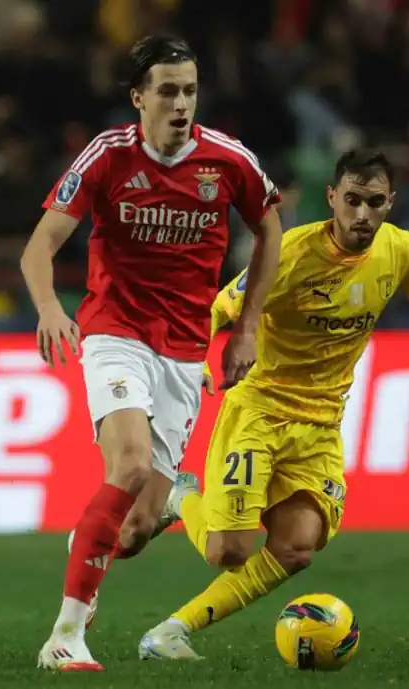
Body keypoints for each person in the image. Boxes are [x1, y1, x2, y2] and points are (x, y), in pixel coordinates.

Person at [135, 148, 409, 660]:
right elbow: (220, 308)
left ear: (391, 203)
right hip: (260, 411)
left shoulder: (399, 249)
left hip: (320, 424)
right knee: (227, 552)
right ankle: (182, 497)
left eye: (375, 202)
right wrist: (193, 366)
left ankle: (170, 632)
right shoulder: (289, 253)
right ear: (332, 198)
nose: (363, 215)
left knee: (297, 548)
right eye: (353, 201)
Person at [21, 34, 284, 672]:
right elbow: (39, 247)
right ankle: (65, 636)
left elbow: (270, 226)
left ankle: (135, 520)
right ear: (139, 97)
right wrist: (52, 309)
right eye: (167, 90)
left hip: (186, 352)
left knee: (132, 530)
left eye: (190, 90)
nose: (181, 102)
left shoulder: (229, 161)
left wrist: (247, 327)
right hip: (114, 333)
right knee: (131, 463)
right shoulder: (108, 156)